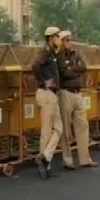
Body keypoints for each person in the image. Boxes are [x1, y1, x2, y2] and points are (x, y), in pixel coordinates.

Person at [56, 31, 99, 170]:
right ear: (61, 41)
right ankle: (68, 160)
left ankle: (85, 159)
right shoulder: (59, 55)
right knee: (66, 128)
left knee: (83, 125)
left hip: (78, 92)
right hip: (65, 93)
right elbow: (64, 73)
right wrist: (75, 70)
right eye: (67, 40)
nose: (70, 42)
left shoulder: (76, 53)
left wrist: (72, 69)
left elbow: (84, 67)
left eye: (71, 40)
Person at [31, 26, 64, 180]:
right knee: (47, 130)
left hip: (53, 95)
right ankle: (45, 165)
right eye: (57, 36)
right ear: (51, 38)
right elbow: (35, 66)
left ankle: (45, 156)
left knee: (58, 128)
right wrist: (44, 82)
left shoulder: (52, 53)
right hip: (46, 94)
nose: (59, 39)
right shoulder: (45, 52)